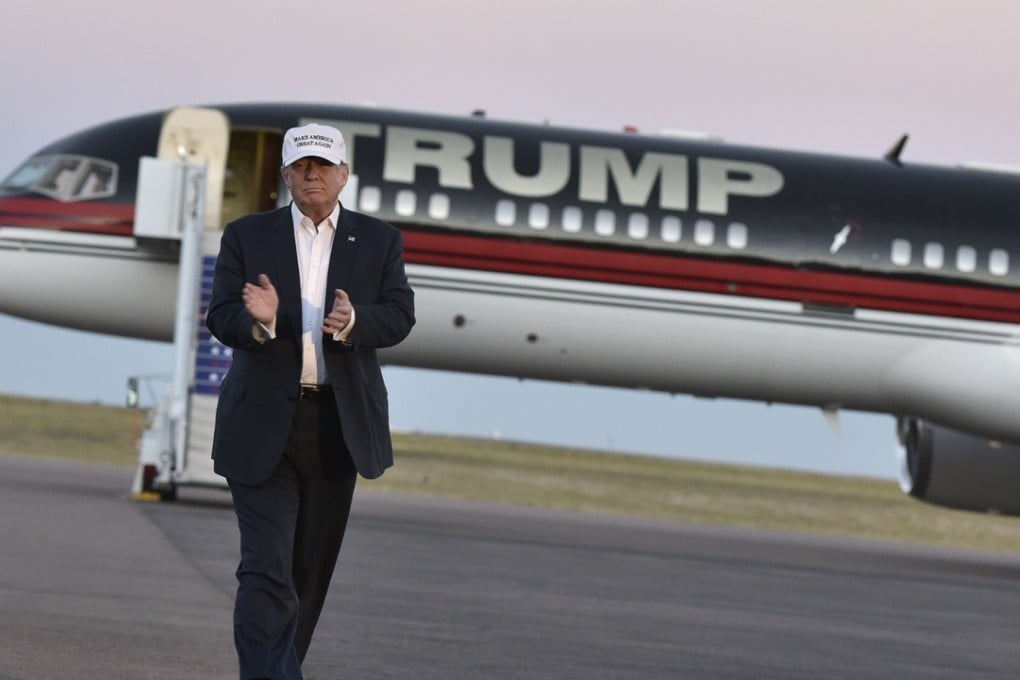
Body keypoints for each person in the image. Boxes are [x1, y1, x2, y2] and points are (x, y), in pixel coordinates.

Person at [206, 122, 415, 680]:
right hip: (262, 424)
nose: (312, 174)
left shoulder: (378, 241)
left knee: (307, 574)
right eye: (302, 166)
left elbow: (400, 315)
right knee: (266, 570)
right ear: (286, 176)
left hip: (335, 428)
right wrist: (262, 322)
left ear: (343, 175)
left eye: (323, 166)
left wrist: (355, 322)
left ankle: (277, 669)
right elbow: (220, 315)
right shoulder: (248, 235)